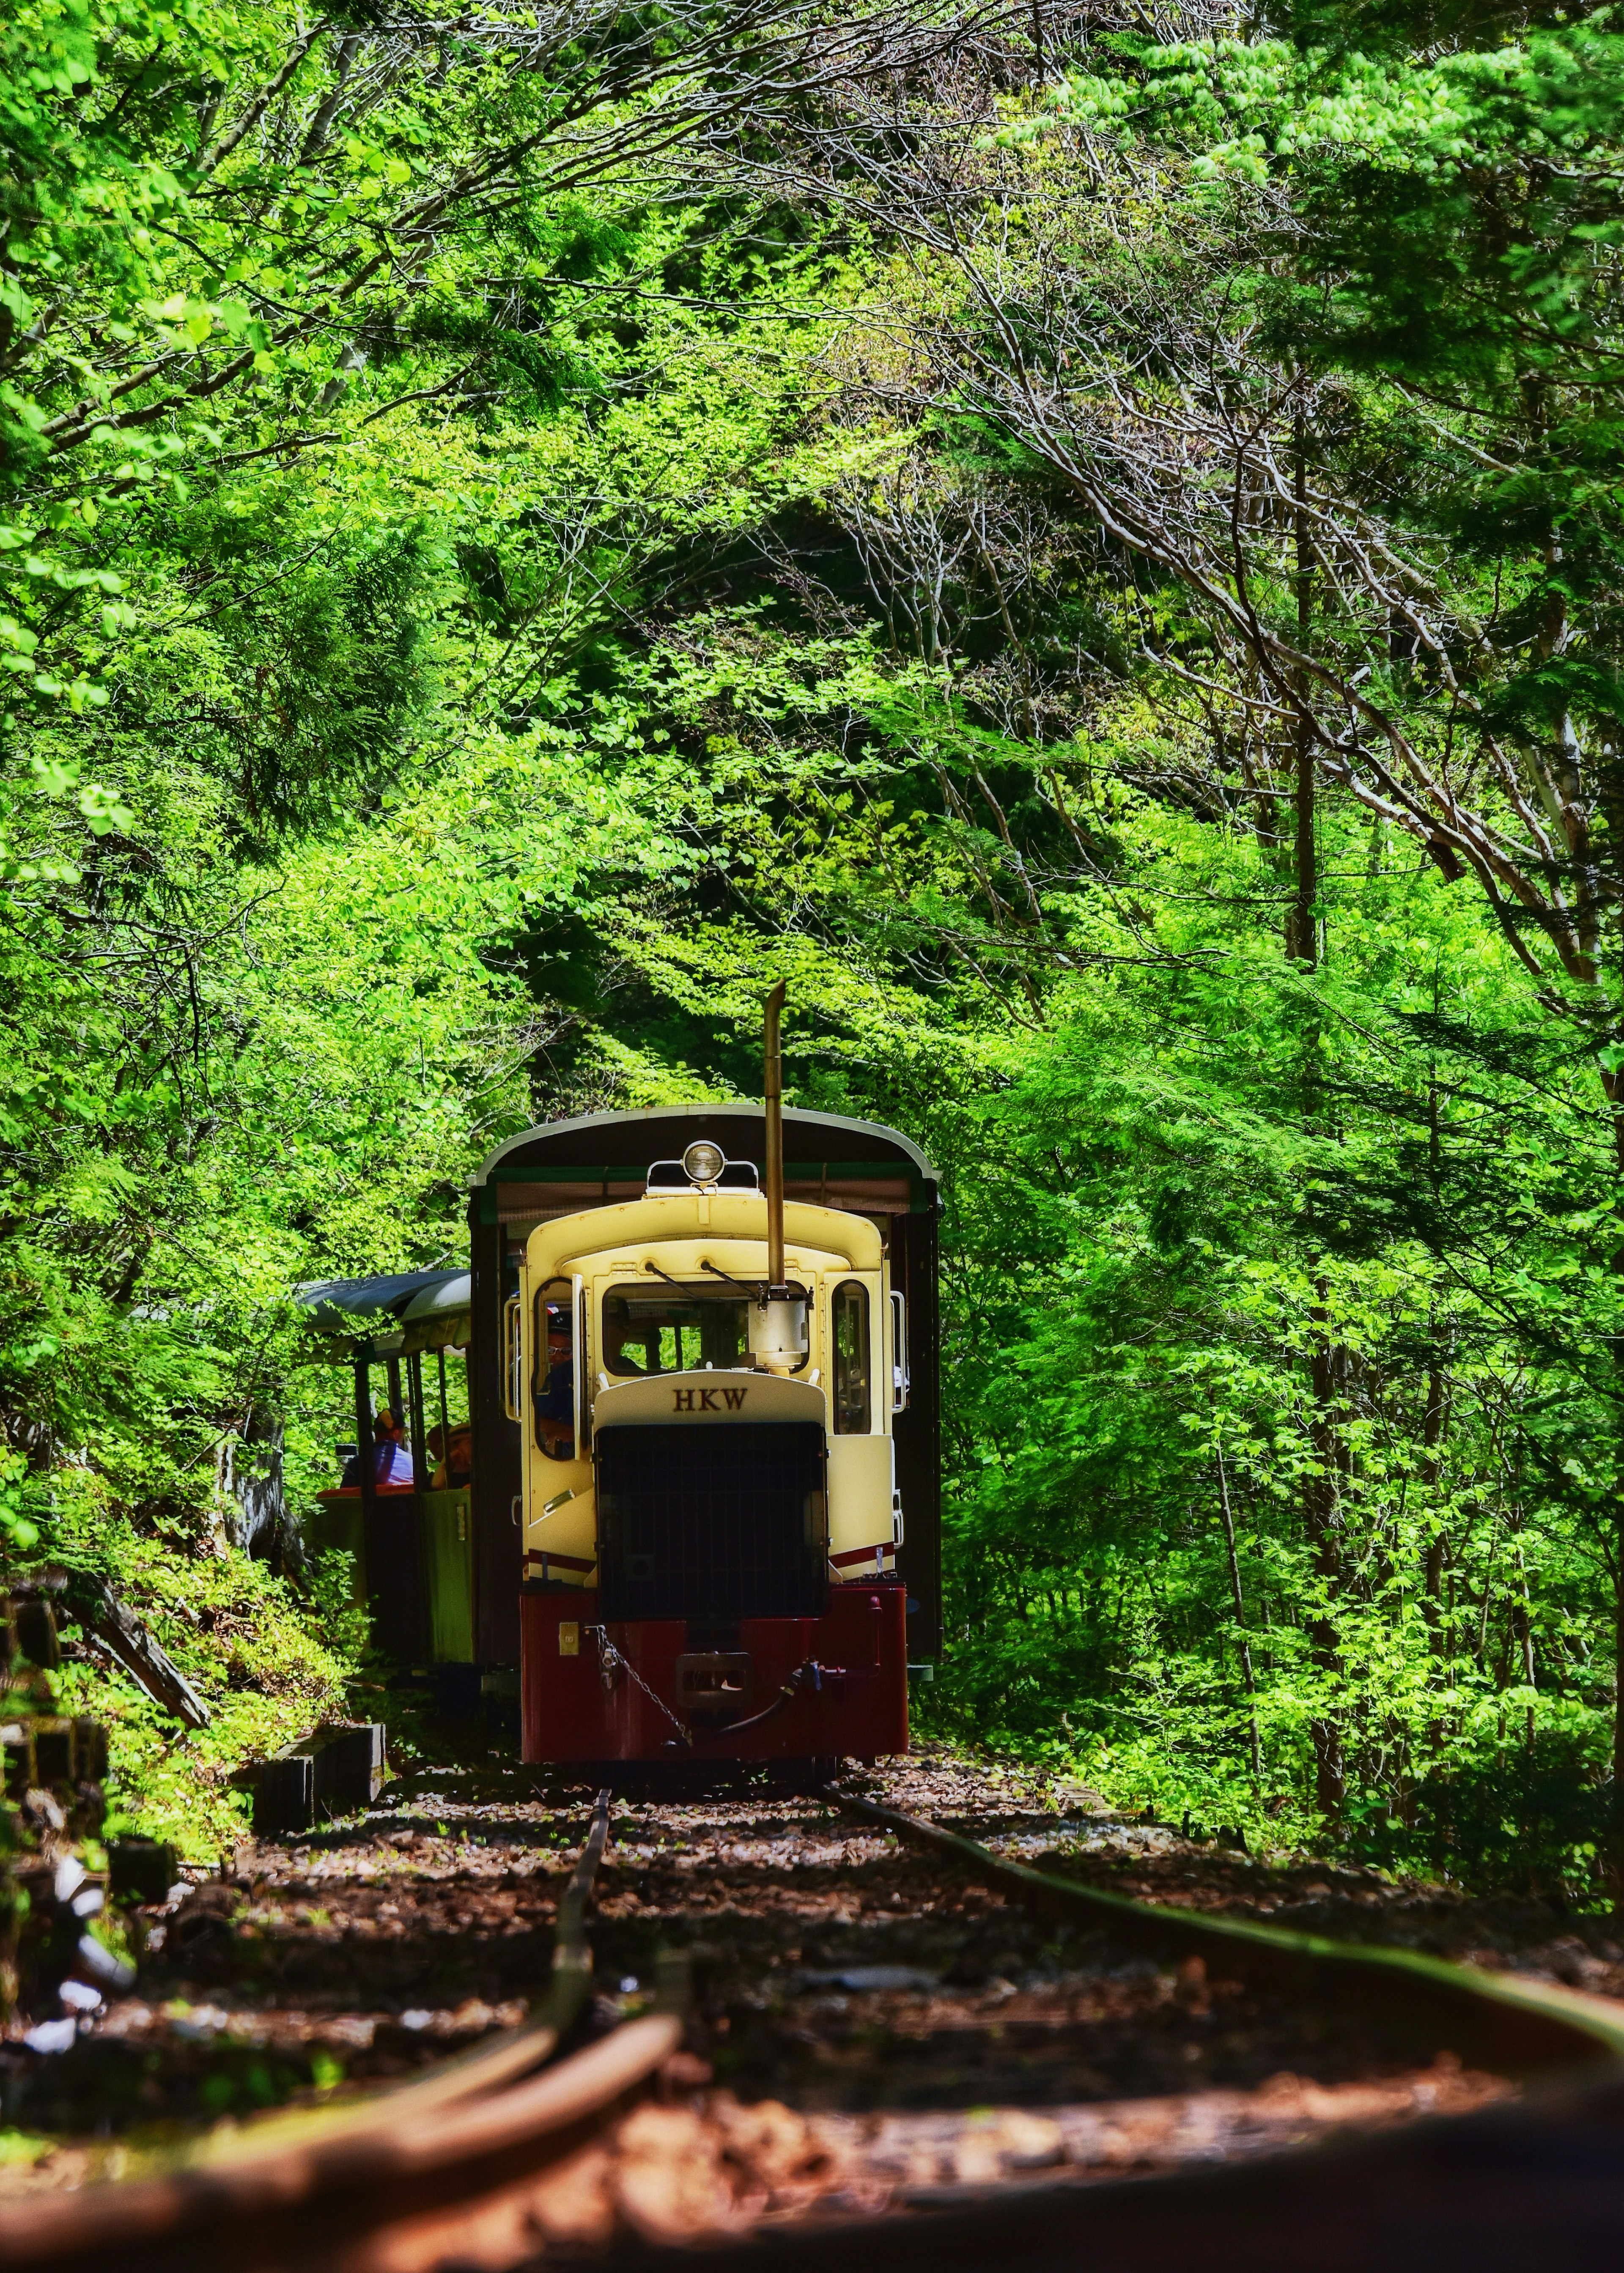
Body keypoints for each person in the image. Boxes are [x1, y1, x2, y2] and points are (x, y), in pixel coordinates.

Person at [341, 1408, 414, 1490]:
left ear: (375, 1432)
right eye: (403, 1432)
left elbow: (344, 1497)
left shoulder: (356, 1464)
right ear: (396, 1433)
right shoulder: (412, 1463)